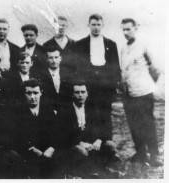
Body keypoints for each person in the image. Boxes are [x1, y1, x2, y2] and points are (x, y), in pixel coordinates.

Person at [56, 80, 121, 178]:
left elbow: (103, 127)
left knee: (110, 145)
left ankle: (109, 170)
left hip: (93, 142)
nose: (80, 95)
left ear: (87, 94)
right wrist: (81, 143)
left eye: (83, 92)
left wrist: (98, 140)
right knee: (81, 151)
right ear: (72, 94)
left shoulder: (93, 108)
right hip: (74, 145)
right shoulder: (65, 111)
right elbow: (63, 135)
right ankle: (92, 173)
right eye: (77, 92)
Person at [120, 18, 163, 167]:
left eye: (128, 29)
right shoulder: (123, 48)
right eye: (123, 30)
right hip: (129, 94)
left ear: (135, 28)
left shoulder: (143, 45)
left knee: (147, 124)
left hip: (144, 92)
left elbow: (155, 68)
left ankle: (154, 155)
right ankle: (140, 153)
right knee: (134, 124)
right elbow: (124, 71)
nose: (126, 32)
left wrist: (147, 84)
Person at [75, 14, 121, 142]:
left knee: (105, 115)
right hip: (88, 84)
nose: (96, 27)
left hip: (105, 85)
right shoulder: (80, 44)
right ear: (88, 25)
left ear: (102, 26)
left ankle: (107, 145)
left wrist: (114, 86)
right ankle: (90, 143)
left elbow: (115, 67)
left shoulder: (111, 44)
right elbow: (78, 67)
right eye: (93, 25)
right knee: (89, 113)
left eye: (98, 25)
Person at [14, 79, 57, 178]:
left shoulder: (48, 110)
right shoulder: (17, 112)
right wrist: (34, 151)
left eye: (35, 93)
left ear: (41, 93)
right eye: (29, 93)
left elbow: (56, 133)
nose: (32, 97)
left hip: (47, 152)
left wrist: (51, 148)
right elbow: (16, 137)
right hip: (27, 153)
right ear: (24, 94)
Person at [41, 47, 72, 114]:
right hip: (48, 111)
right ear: (47, 59)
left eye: (56, 57)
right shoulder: (41, 75)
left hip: (66, 110)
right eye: (51, 58)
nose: (54, 60)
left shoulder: (68, 74)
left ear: (60, 58)